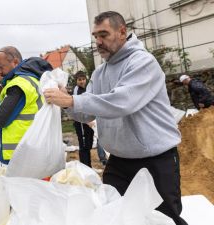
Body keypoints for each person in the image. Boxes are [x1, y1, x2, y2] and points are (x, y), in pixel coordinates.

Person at [43, 11, 187, 225]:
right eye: (95, 36)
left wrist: (72, 101)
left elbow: (122, 102)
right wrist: (67, 100)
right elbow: (87, 113)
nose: (98, 42)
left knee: (164, 218)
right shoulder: (100, 73)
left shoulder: (142, 62)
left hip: (155, 160)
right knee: (114, 216)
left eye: (104, 34)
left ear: (122, 32)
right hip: (119, 161)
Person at [0, 46, 52, 164]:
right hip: (33, 148)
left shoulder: (18, 86)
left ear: (15, 62)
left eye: (1, 67)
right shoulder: (32, 80)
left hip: (21, 155)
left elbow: (0, 118)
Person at [72, 71, 94, 167]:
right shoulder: (77, 90)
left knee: (88, 146)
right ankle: (84, 168)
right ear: (76, 81)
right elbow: (78, 108)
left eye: (83, 79)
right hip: (81, 123)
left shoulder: (87, 89)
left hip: (89, 122)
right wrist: (85, 120)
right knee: (83, 146)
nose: (82, 81)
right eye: (79, 80)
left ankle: (89, 167)